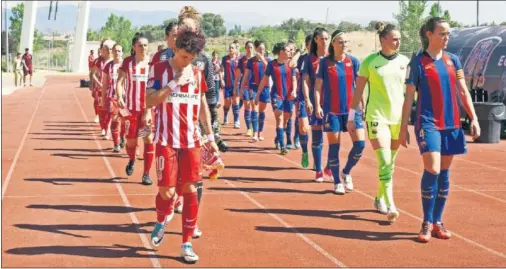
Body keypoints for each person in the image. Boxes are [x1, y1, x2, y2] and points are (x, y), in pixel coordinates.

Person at [401, 17, 480, 242]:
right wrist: (402, 127)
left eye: (448, 34)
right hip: (428, 123)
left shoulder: (453, 60)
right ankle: (426, 221)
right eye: (442, 33)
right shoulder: (416, 63)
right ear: (429, 34)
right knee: (433, 169)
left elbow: (463, 91)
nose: (447, 38)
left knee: (444, 172)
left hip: (451, 124)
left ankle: (437, 221)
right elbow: (408, 99)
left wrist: (473, 118)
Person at [146, 28, 218, 263]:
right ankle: (161, 220)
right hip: (166, 140)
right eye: (184, 56)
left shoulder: (197, 74)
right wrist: (174, 83)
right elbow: (148, 100)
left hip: (192, 142)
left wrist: (211, 137)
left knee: (190, 191)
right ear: (175, 48)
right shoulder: (158, 69)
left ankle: (186, 242)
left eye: (192, 58)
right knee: (166, 192)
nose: (188, 61)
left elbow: (203, 106)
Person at [347, 22, 409, 221]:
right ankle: (390, 204)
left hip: (397, 119)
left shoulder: (405, 62)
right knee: (384, 161)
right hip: (376, 117)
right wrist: (351, 117)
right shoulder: (370, 62)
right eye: (394, 39)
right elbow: (358, 91)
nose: (398, 42)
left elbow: (409, 94)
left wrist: (408, 122)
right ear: (383, 40)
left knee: (391, 164)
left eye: (399, 39)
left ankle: (379, 197)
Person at [313, 30, 364, 195]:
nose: (343, 45)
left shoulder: (353, 61)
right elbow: (318, 87)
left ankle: (346, 171)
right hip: (332, 111)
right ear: (333, 43)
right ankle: (336, 181)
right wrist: (317, 106)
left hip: (351, 110)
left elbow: (358, 86)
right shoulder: (325, 63)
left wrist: (361, 105)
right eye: (340, 42)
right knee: (334, 146)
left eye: (345, 42)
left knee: (360, 145)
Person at [116, 33, 154, 186]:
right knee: (131, 142)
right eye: (140, 45)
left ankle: (146, 174)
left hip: (147, 111)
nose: (143, 48)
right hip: (131, 111)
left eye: (145, 45)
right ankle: (131, 159)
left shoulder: (151, 64)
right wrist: (120, 97)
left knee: (148, 139)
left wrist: (150, 108)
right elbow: (119, 82)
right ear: (134, 47)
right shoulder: (128, 62)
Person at [302, 28, 332, 182]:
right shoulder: (309, 59)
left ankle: (329, 166)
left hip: (333, 103)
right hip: (316, 103)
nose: (325, 41)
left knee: (334, 138)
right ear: (316, 40)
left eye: (327, 38)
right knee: (317, 138)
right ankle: (319, 170)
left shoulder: (332, 58)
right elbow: (306, 81)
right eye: (322, 38)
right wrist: (307, 100)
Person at [255, 42, 297, 155]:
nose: (290, 53)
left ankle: (278, 138)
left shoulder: (290, 64)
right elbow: (264, 79)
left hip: (288, 96)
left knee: (286, 120)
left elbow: (294, 80)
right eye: (288, 51)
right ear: (281, 52)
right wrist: (258, 94)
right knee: (279, 118)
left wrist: (294, 90)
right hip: (276, 95)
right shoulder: (271, 65)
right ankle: (283, 146)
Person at [241, 40, 271, 142]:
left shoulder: (268, 60)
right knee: (255, 107)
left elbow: (268, 67)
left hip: (265, 87)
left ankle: (260, 132)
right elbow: (245, 75)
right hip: (253, 86)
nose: (261, 51)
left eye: (263, 49)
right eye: (259, 49)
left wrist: (262, 58)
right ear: (256, 49)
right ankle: (254, 133)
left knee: (262, 110)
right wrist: (241, 87)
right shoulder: (251, 61)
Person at [102, 43, 125, 152]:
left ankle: (123, 137)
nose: (117, 53)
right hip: (113, 98)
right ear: (112, 53)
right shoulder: (108, 66)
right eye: (115, 51)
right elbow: (105, 84)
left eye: (119, 51)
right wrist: (103, 98)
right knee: (115, 120)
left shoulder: (127, 65)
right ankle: (116, 144)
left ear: (122, 53)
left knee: (125, 122)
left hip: (125, 99)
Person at [295, 35, 313, 167]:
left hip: (319, 98)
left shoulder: (323, 59)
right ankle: (305, 152)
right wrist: (298, 52)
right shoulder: (302, 59)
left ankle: (317, 159)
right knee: (303, 128)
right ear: (307, 45)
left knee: (318, 130)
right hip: (302, 97)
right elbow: (290, 64)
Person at [235, 41, 255, 136]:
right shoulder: (242, 60)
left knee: (255, 107)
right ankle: (249, 128)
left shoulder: (257, 59)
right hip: (245, 86)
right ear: (245, 48)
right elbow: (238, 75)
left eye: (251, 47)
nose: (249, 49)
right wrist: (236, 87)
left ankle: (255, 127)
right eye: (248, 47)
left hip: (255, 86)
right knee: (247, 105)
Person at [220, 43, 239, 127]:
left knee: (235, 102)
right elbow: (220, 70)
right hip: (227, 85)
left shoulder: (239, 60)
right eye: (230, 47)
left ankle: (236, 121)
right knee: (227, 103)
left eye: (232, 48)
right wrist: (221, 80)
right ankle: (225, 117)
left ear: (235, 50)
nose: (231, 49)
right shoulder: (225, 59)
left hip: (236, 84)